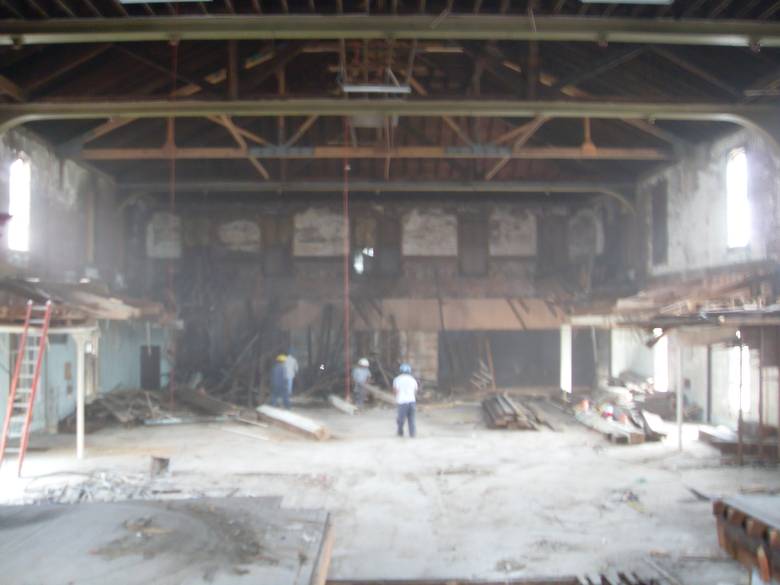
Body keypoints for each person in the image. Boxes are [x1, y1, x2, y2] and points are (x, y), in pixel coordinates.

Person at [393, 363, 418, 438]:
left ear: (400, 371)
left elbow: (395, 391)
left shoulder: (397, 379)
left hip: (402, 401)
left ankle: (400, 432)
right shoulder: (413, 379)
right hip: (412, 401)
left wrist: (397, 398)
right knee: (411, 418)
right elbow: (415, 390)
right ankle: (412, 433)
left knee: (401, 419)